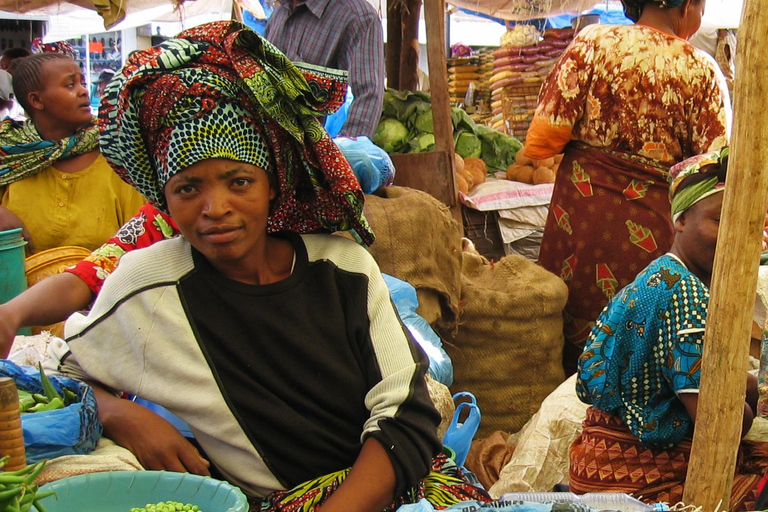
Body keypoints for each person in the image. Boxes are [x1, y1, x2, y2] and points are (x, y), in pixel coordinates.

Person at [51, 21, 488, 511]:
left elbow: (406, 415)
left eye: (238, 181)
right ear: (163, 199)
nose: (215, 207)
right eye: (188, 189)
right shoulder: (146, 285)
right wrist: (121, 415)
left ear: (273, 184)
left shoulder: (343, 268)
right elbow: (67, 373)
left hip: (398, 485)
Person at [523, 0, 731, 373]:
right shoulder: (700, 70)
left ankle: (567, 411)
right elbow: (715, 170)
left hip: (578, 223)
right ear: (684, 5)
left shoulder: (590, 43)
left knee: (569, 326)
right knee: (642, 335)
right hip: (650, 232)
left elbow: (541, 142)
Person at [569, 147, 768, 511]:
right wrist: (751, 410)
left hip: (595, 464)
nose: (734, 236)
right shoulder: (687, 294)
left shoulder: (661, 273)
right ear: (679, 219)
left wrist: (747, 386)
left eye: (747, 223)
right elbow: (720, 426)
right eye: (719, 220)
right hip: (639, 478)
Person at [0, 53, 145, 253]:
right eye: (70, 85)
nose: (84, 91)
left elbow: (143, 240)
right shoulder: (8, 155)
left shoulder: (115, 153)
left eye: (82, 83)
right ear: (36, 100)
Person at [265, 0, 384, 138]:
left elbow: (368, 95)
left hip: (305, 151)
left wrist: (340, 154)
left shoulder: (358, 17)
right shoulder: (281, 10)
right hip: (259, 146)